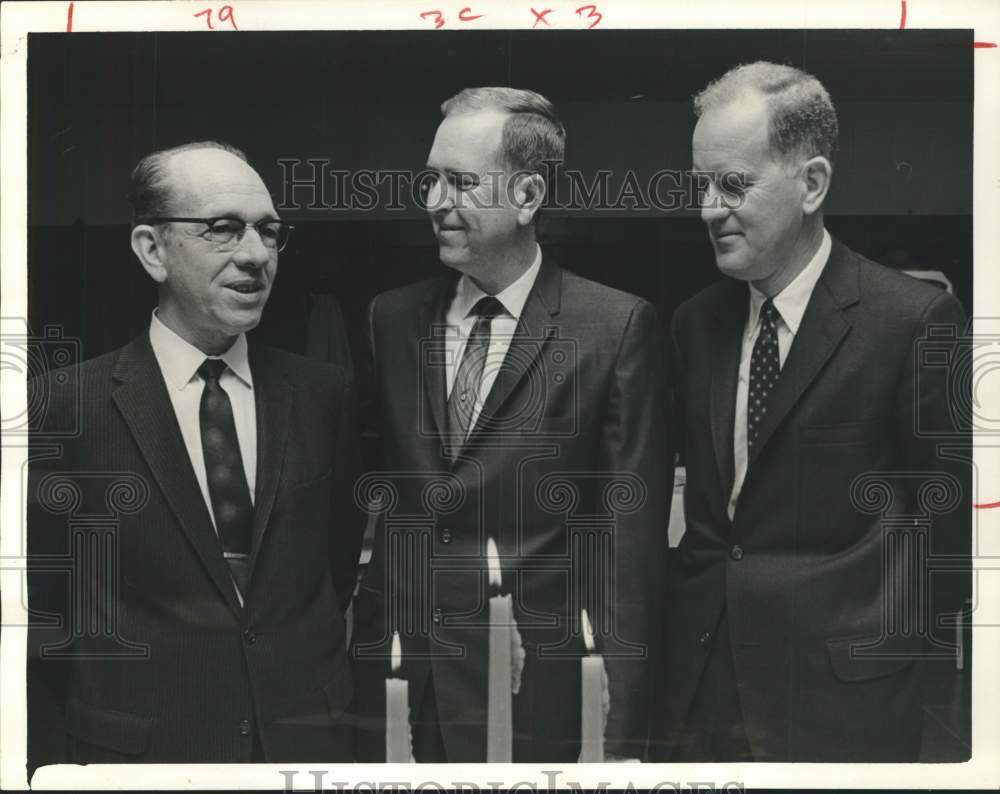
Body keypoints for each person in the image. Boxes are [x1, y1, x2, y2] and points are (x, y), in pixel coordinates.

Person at [649, 62, 970, 762]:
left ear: (812, 184)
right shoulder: (695, 324)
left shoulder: (913, 322)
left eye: (732, 184)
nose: (707, 207)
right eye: (701, 184)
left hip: (842, 700)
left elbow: (948, 539)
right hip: (700, 691)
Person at [351, 87, 671, 762]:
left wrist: (618, 733)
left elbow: (627, 553)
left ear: (528, 195)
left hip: (542, 692)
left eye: (461, 182)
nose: (436, 201)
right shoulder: (390, 319)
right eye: (430, 180)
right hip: (404, 681)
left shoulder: (613, 328)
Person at [26, 141, 364, 767]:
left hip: (304, 747)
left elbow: (334, 569)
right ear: (152, 250)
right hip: (140, 755)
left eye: (269, 231)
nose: (257, 255)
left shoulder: (324, 394)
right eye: (223, 230)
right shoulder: (64, 406)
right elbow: (41, 610)